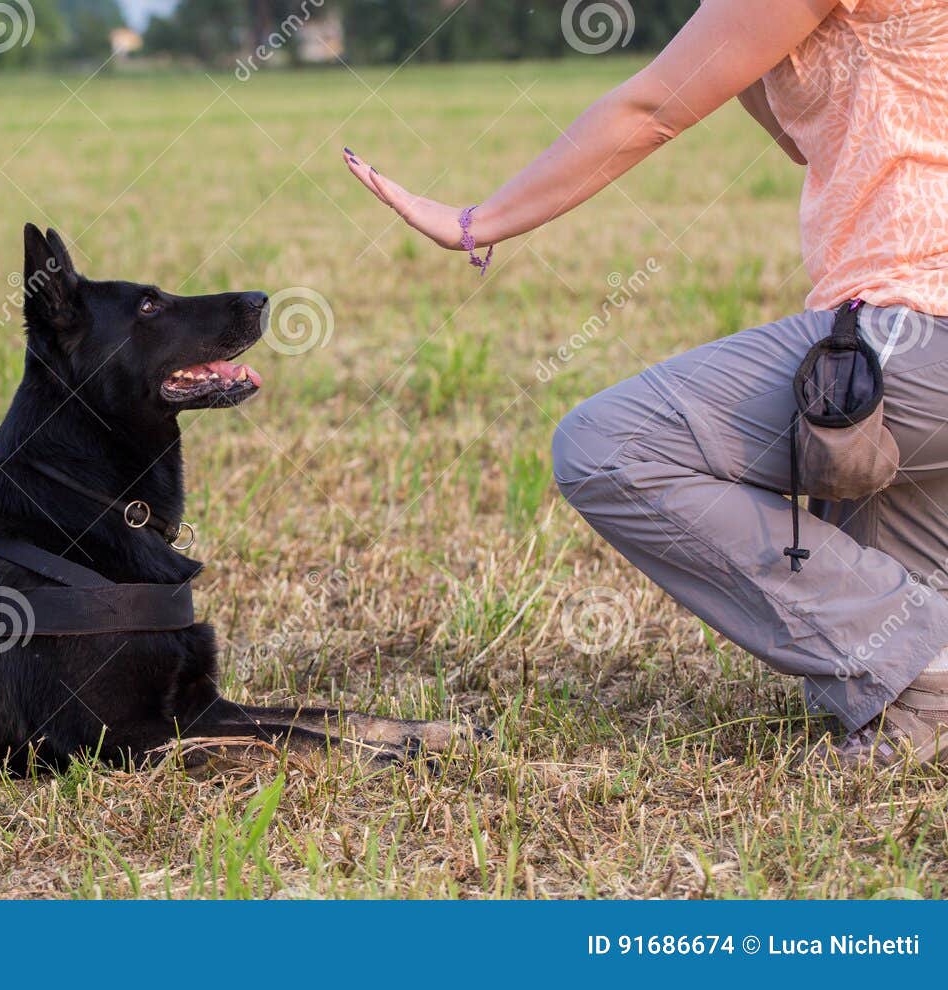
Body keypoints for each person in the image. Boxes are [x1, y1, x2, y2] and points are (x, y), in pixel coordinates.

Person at [344, 0, 948, 767]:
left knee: (608, 445)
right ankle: (926, 689)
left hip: (916, 322)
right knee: (886, 669)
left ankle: (930, 653)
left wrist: (477, 221)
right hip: (919, 334)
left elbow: (652, 107)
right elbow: (796, 134)